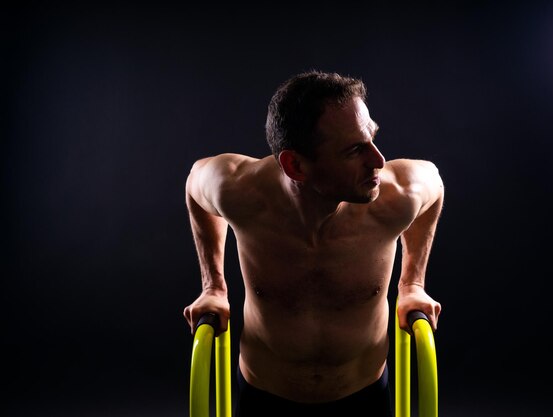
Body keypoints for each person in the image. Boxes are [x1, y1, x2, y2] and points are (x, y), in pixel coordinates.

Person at [183, 70, 444, 417]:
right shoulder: (240, 193)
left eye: (373, 138)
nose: (379, 161)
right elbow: (195, 186)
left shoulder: (397, 196)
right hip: (266, 395)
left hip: (363, 395)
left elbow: (435, 186)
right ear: (295, 165)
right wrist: (213, 286)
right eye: (354, 150)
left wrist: (412, 283)